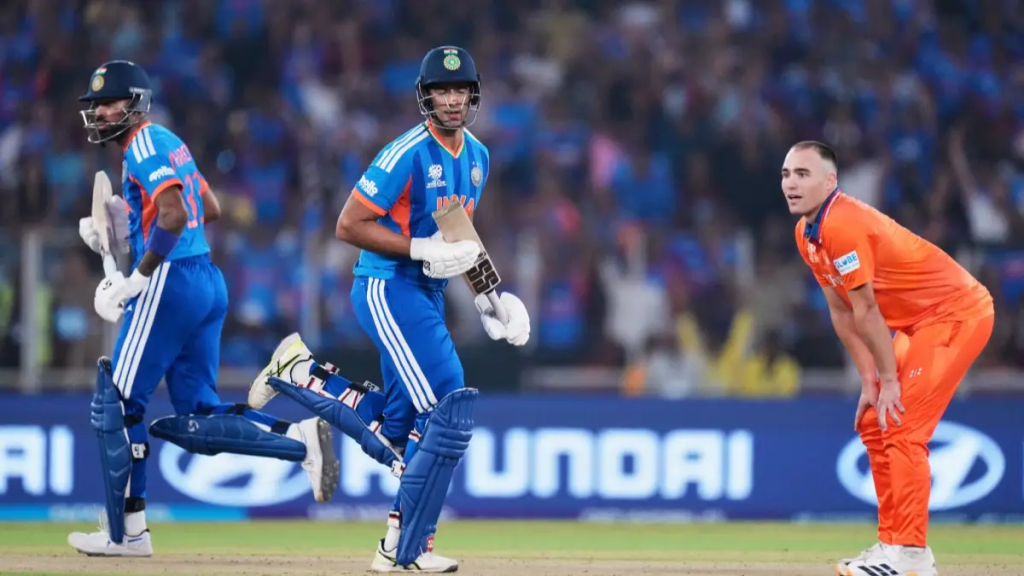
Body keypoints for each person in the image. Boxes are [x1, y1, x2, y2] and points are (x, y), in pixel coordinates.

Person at [248, 45, 531, 573]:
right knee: (447, 405)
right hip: (386, 285)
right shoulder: (406, 152)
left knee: (397, 429)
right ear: (425, 97)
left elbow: (459, 236)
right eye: (442, 91)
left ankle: (300, 373)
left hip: (427, 292)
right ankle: (407, 548)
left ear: (473, 95)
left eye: (460, 90)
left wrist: (490, 298)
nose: (452, 100)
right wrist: (420, 249)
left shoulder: (478, 158)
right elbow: (348, 224)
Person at [68, 60, 339, 557]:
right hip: (205, 280)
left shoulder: (142, 145)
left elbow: (174, 215)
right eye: (97, 105)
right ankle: (299, 440)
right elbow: (205, 209)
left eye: (109, 102)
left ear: (137, 103)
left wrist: (136, 279)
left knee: (117, 405)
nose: (101, 112)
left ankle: (126, 534)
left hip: (169, 282)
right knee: (198, 414)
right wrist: (124, 227)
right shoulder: (169, 143)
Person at [783, 141, 994, 576]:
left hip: (956, 313)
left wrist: (890, 381)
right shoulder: (807, 234)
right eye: (786, 174)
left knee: (901, 421)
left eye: (802, 174)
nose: (791, 183)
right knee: (872, 419)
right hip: (918, 325)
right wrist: (870, 380)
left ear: (830, 181)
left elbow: (867, 310)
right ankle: (891, 546)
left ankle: (912, 556)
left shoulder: (843, 225)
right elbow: (841, 311)